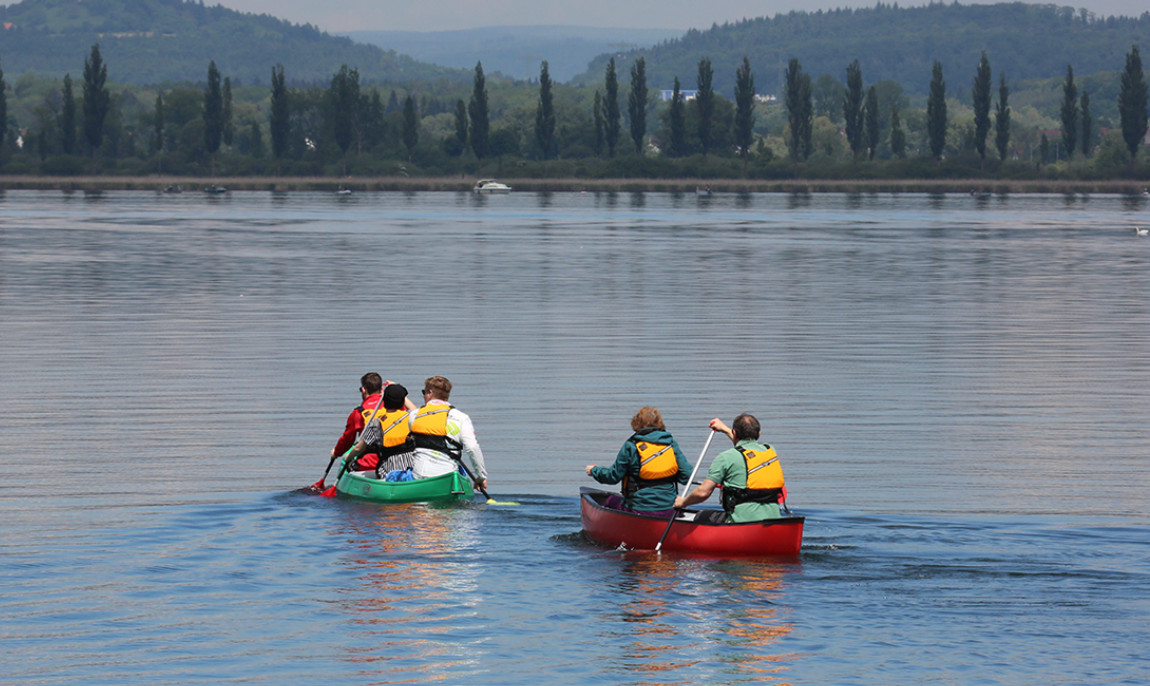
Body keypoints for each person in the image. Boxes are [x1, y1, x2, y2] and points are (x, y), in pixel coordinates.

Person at [673, 414, 786, 524]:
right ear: (759, 434)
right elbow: (746, 447)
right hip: (773, 520)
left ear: (734, 433)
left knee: (701, 516)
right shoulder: (770, 451)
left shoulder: (725, 458)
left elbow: (703, 492)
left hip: (740, 522)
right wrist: (725, 429)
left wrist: (683, 502)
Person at [585, 406, 691, 517]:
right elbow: (687, 477)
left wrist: (594, 471)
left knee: (610, 501)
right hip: (670, 510)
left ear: (637, 423)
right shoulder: (671, 445)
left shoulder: (631, 446)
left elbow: (613, 476)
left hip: (639, 509)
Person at [408, 376, 488, 491]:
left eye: (424, 392)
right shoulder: (461, 418)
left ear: (430, 393)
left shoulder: (414, 416)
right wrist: (481, 477)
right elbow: (472, 448)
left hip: (420, 477)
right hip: (447, 477)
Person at [343, 383, 419, 478]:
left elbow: (359, 448)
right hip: (412, 468)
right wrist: (396, 387)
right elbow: (414, 409)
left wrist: (348, 457)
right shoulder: (411, 417)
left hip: (388, 470)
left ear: (384, 401)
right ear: (402, 402)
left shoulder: (376, 423)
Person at [330, 372, 388, 473]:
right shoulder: (394, 407)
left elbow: (347, 440)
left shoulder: (358, 413)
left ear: (363, 390)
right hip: (392, 458)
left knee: (347, 460)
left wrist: (336, 452)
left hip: (369, 462)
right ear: (382, 390)